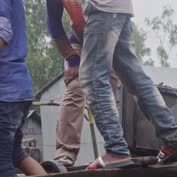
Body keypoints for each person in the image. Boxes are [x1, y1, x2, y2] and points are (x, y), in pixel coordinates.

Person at [79, 0, 177, 169]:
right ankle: (173, 136)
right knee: (133, 76)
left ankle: (116, 149)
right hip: (120, 9)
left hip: (102, 8)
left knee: (93, 78)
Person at [46, 0, 122, 167]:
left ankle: (123, 149)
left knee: (114, 91)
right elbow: (53, 23)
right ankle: (65, 153)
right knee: (75, 86)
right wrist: (71, 59)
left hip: (109, 38)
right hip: (80, 39)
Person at [0, 0, 47, 177]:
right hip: (18, 88)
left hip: (5, 93)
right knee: (15, 154)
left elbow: (2, 33)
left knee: (1, 165)